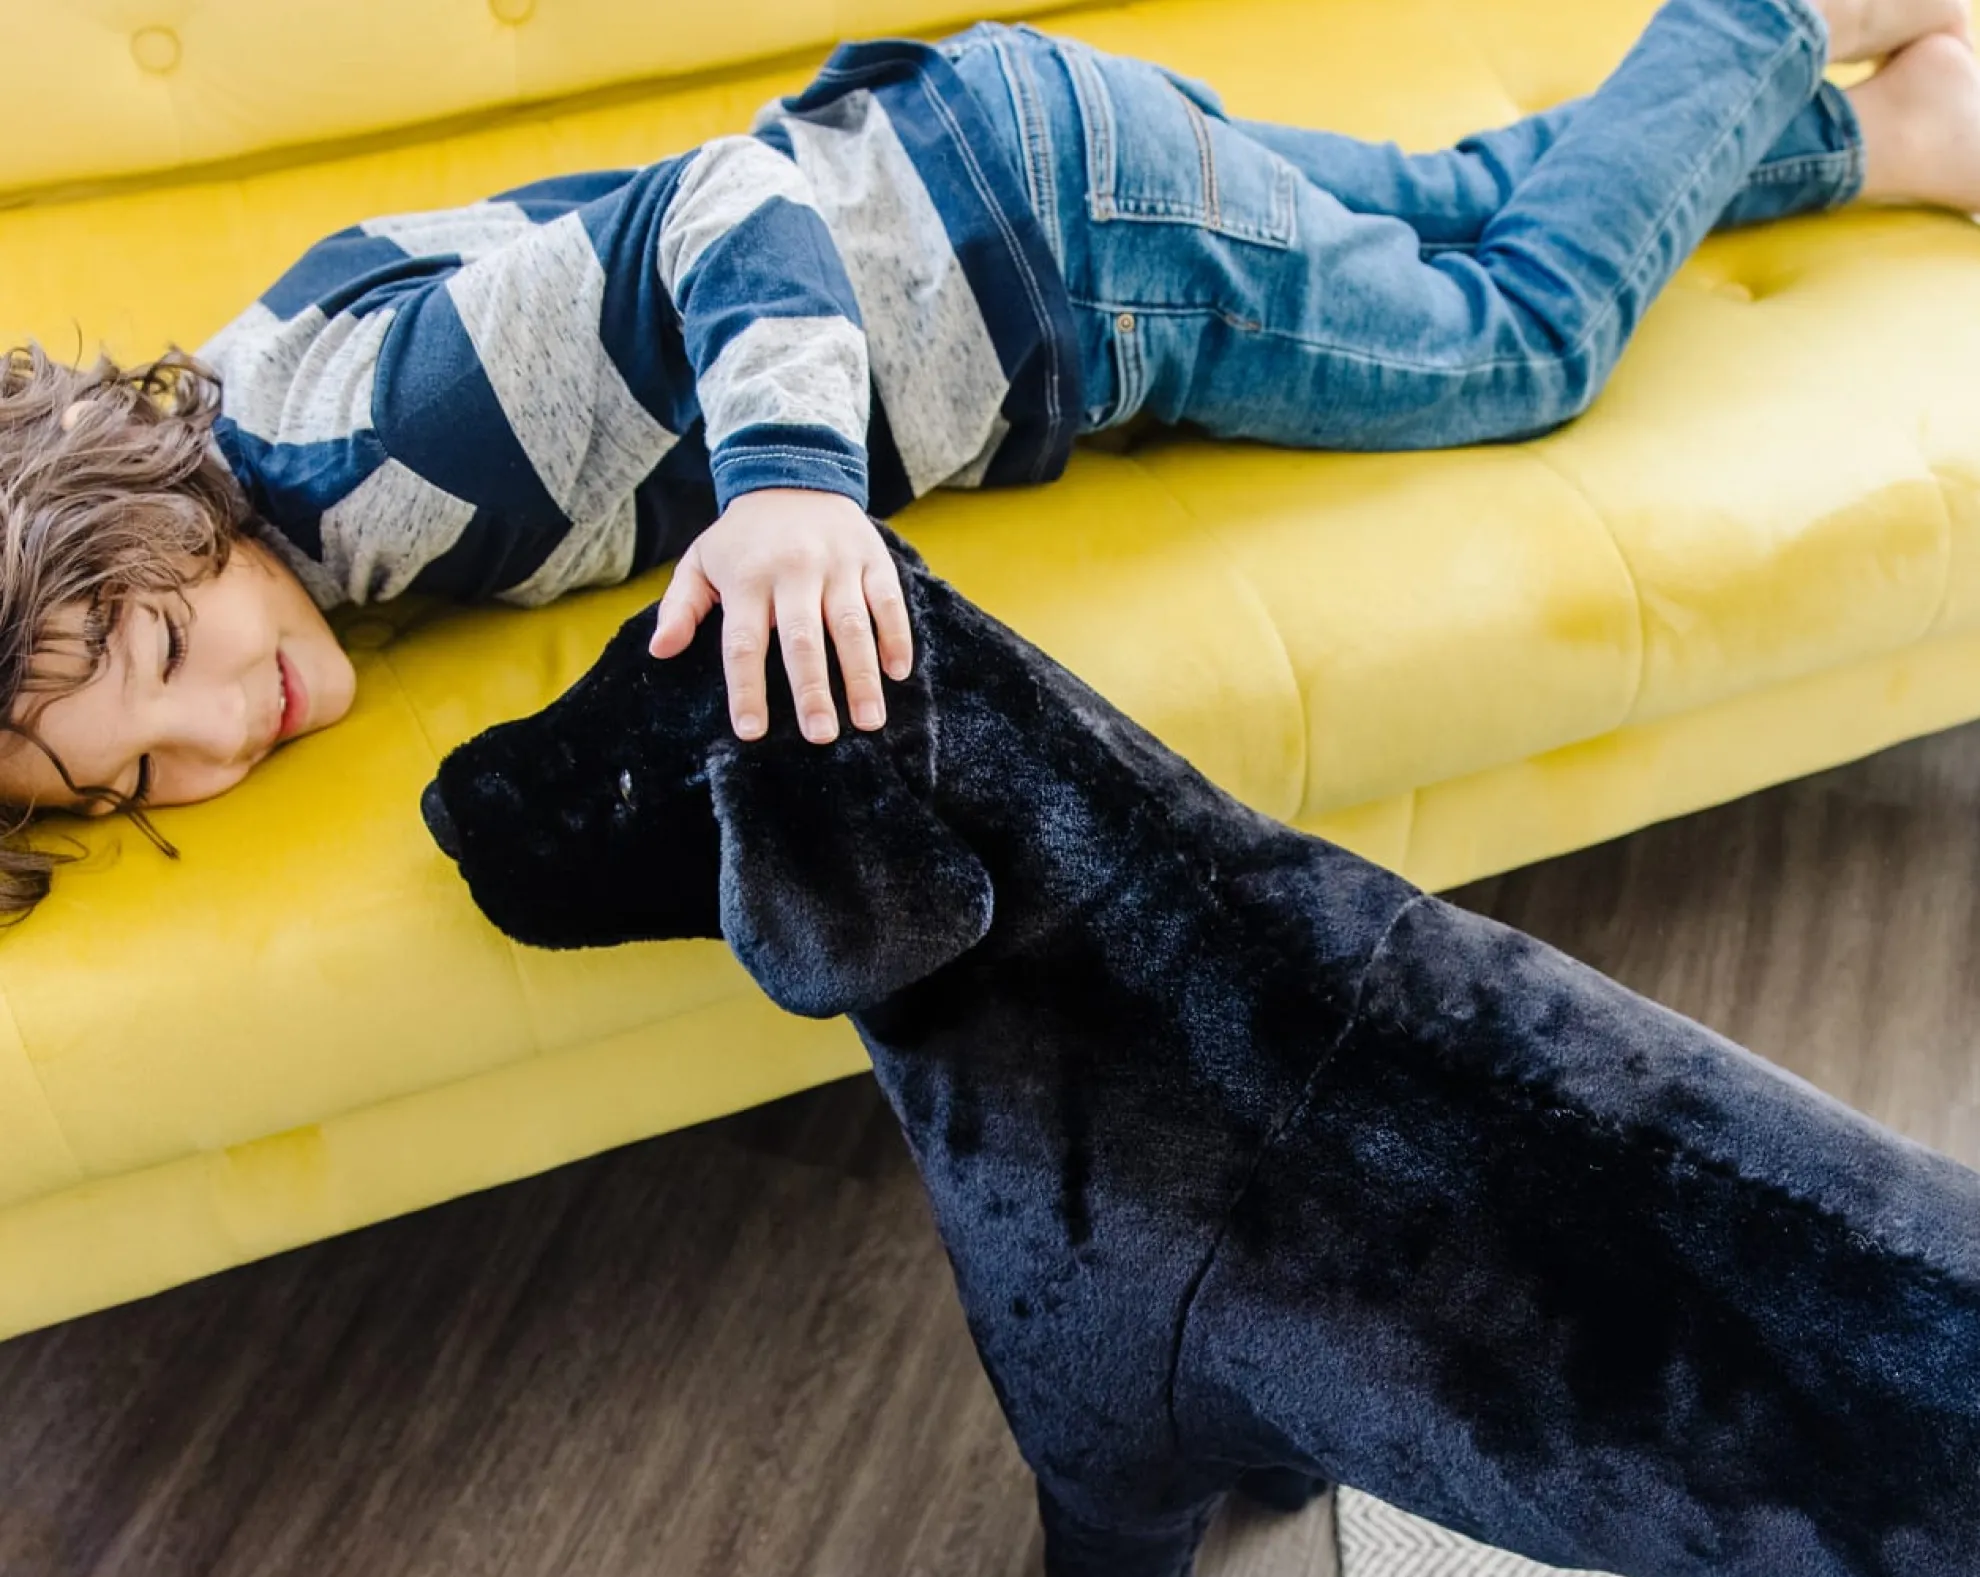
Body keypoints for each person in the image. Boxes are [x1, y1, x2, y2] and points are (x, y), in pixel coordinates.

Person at [0, 0, 1974, 920]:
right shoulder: (253, 396)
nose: (211, 751)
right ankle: (1893, 138)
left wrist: (788, 487)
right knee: (1456, 201)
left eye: (164, 672)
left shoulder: (376, 456)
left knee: (1507, 338)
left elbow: (709, 208)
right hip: (1000, 153)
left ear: (133, 509)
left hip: (1061, 266)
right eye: (138, 785)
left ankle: (1767, 14)